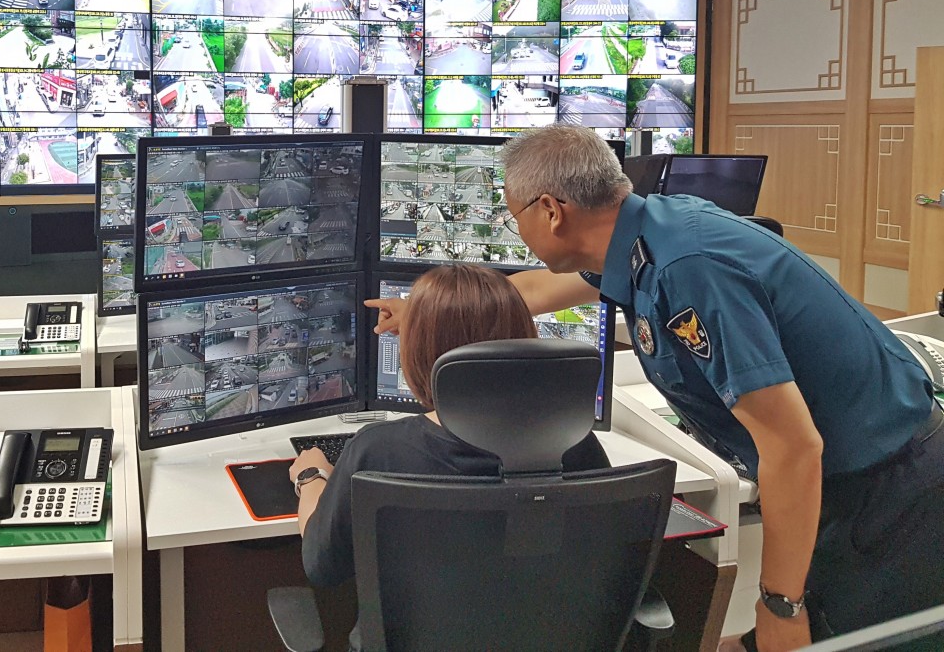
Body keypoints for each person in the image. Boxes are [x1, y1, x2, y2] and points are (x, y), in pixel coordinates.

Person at [367, 125, 944, 652]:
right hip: (852, 485)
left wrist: (779, 605)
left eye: (512, 214)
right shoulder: (648, 231)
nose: (514, 229)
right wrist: (422, 308)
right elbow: (542, 289)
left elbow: (794, 447)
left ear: (550, 211)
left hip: (892, 498)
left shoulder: (686, 268)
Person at [290, 264, 608, 634]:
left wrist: (311, 477)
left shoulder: (379, 451)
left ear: (421, 354)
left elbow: (322, 565)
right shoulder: (576, 443)